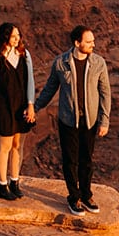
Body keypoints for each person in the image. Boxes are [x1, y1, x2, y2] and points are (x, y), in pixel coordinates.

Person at [34, 24, 110, 214]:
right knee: (70, 160)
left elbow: (105, 93)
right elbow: (50, 88)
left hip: (90, 121)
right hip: (68, 121)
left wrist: (104, 120)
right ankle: (73, 198)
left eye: (93, 40)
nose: (93, 44)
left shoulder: (99, 63)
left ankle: (86, 195)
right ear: (77, 43)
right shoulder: (61, 63)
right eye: (89, 41)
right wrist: (35, 107)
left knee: (87, 160)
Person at [0, 22, 36, 200]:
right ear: (5, 37)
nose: (18, 39)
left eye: (18, 36)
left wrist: (31, 104)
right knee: (4, 147)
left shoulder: (24, 55)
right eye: (14, 36)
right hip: (3, 108)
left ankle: (15, 181)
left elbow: (30, 81)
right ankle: (2, 185)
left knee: (18, 145)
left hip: (21, 107)